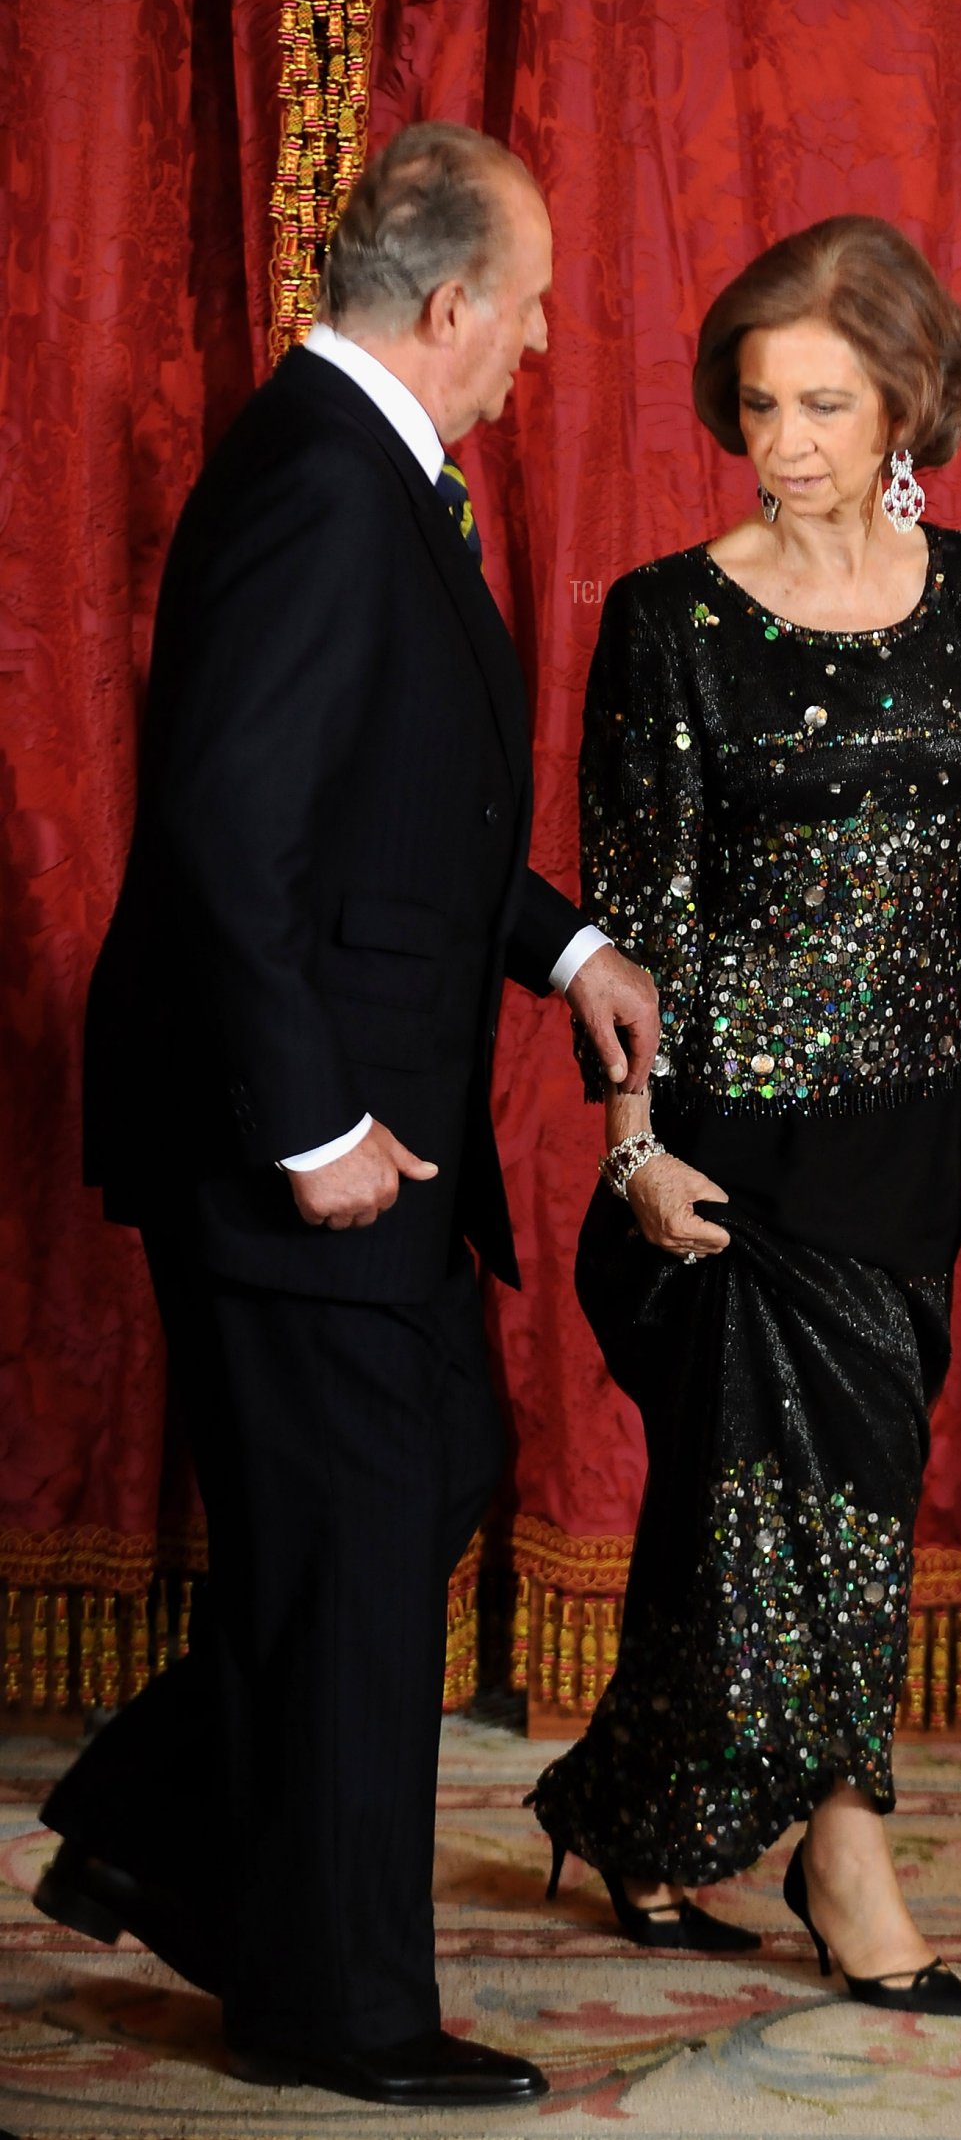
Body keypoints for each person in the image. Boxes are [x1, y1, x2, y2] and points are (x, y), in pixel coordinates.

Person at [34, 122, 657, 2109]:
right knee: (366, 1526)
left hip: (347, 1107)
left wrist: (563, 954)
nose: (541, 344)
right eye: (535, 307)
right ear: (452, 302)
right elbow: (230, 827)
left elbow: (404, 809)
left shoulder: (367, 476)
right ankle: (336, 1995)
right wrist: (309, 1130)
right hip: (296, 1134)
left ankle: (164, 1820)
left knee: (409, 1482)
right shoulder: (322, 484)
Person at [531, 215, 961, 2015]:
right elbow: (635, 917)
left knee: (788, 1512)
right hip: (727, 1146)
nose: (788, 442)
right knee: (794, 1508)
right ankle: (846, 1851)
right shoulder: (668, 619)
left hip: (907, 1139)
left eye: (828, 403)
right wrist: (630, 1144)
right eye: (763, 403)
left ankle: (632, 1809)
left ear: (907, 401)